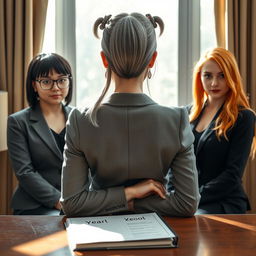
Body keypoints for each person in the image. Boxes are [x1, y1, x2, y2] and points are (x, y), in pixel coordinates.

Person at [61, 12, 200, 217]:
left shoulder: (79, 120)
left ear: (104, 59)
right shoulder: (177, 119)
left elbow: (72, 203)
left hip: (98, 235)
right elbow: (187, 204)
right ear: (153, 59)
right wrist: (136, 198)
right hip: (159, 238)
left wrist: (126, 198)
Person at [188, 47, 256, 214]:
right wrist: (172, 195)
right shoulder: (186, 114)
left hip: (223, 202)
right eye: (208, 75)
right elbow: (173, 164)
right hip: (189, 199)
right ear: (199, 77)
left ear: (231, 77)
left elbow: (232, 175)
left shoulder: (244, 117)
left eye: (222, 75)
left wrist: (194, 197)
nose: (214, 83)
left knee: (195, 220)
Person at [7, 53, 73, 215]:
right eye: (46, 81)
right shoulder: (18, 122)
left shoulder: (79, 118)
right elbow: (25, 172)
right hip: (35, 205)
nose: (55, 87)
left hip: (75, 201)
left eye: (62, 80)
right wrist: (59, 202)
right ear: (34, 85)